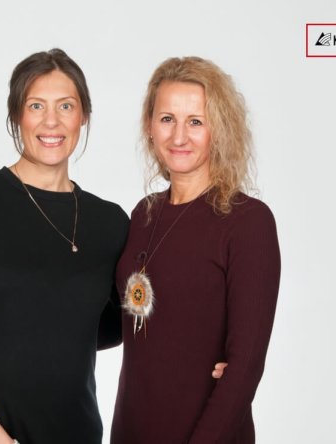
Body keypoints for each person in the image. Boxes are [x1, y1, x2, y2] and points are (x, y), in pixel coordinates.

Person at [0, 48, 130, 444]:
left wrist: (213, 355)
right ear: (17, 115)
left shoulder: (111, 222)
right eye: (36, 105)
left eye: (66, 106)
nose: (52, 121)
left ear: (84, 115)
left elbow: (121, 326)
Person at [111, 56, 281, 443]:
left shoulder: (247, 222)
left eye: (196, 122)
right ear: (149, 126)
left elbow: (245, 367)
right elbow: (118, 324)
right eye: (167, 119)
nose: (179, 137)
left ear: (219, 129)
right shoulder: (143, 215)